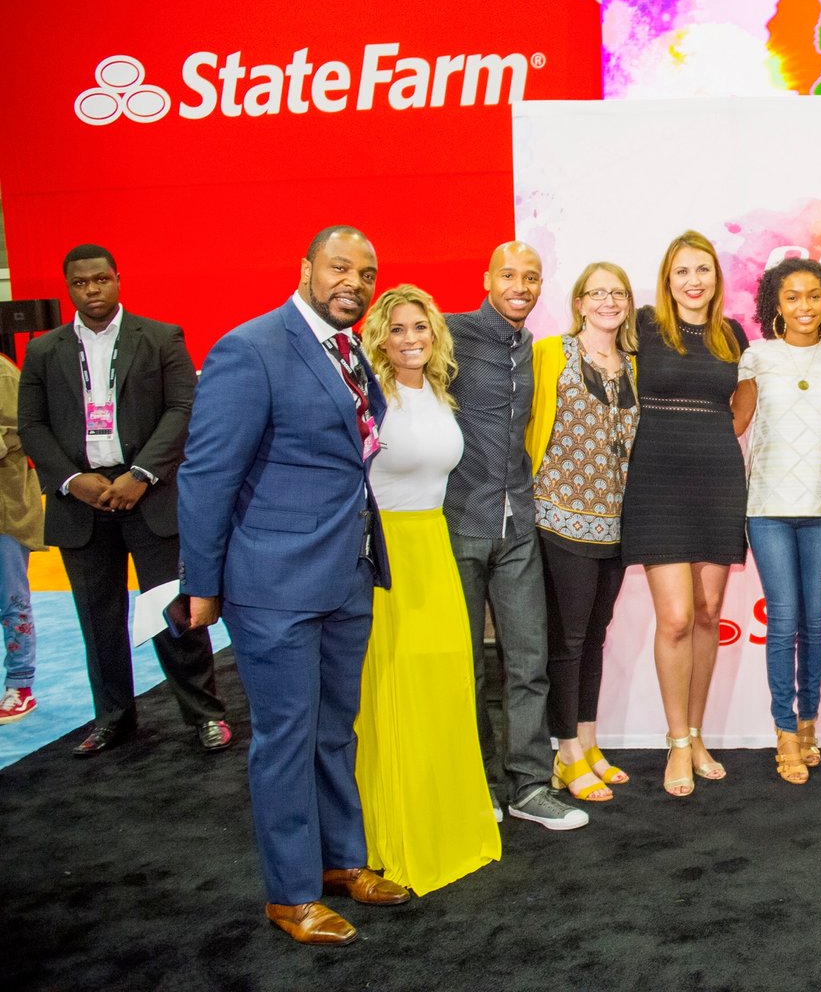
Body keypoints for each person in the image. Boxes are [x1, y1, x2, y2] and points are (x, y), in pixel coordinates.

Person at [178, 226, 405, 946]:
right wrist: (202, 585)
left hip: (347, 576)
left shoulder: (348, 353)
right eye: (341, 267)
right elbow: (207, 475)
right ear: (306, 268)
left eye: (367, 273)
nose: (355, 282)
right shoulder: (251, 349)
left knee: (335, 730)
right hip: (271, 585)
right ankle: (291, 893)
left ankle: (342, 863)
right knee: (285, 738)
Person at [18, 243, 229, 756]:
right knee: (98, 618)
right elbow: (32, 424)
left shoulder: (159, 338)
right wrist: (70, 479)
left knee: (172, 611)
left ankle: (204, 715)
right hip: (79, 501)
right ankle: (113, 718)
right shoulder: (44, 350)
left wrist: (141, 473)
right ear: (68, 288)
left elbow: (182, 408)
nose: (91, 290)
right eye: (80, 284)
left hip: (148, 494)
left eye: (100, 280)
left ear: (117, 279)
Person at [355, 284, 501, 893]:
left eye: (420, 327)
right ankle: (390, 831)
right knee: (393, 692)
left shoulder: (440, 392)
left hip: (435, 549)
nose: (411, 339)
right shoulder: (368, 398)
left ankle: (446, 818)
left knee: (446, 686)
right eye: (398, 330)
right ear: (379, 339)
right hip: (385, 558)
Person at [444, 242, 586, 831]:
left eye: (531, 277)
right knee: (465, 666)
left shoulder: (535, 349)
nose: (521, 285)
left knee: (528, 662)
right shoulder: (448, 333)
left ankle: (528, 787)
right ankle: (477, 786)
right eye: (509, 275)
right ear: (487, 279)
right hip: (456, 523)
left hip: (518, 525)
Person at [620, 230, 749, 797]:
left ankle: (696, 734)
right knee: (674, 618)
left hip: (717, 479)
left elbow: (742, 403)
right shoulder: (643, 326)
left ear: (716, 278)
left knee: (706, 612)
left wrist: (718, 433)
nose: (693, 281)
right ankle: (675, 741)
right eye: (682, 272)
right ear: (667, 280)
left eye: (703, 270)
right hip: (656, 481)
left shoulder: (732, 334)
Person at [733, 257, 821, 785]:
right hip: (768, 510)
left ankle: (808, 722)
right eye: (791, 297)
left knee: (814, 621)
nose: (803, 306)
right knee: (783, 620)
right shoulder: (756, 357)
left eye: (813, 296)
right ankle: (783, 731)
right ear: (775, 306)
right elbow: (734, 423)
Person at [525, 262, 640, 802]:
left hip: (615, 525)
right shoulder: (552, 353)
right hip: (559, 519)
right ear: (579, 302)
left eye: (617, 293)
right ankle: (565, 751)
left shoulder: (633, 366)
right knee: (566, 641)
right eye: (597, 292)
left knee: (594, 638)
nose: (608, 301)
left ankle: (589, 743)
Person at [0, 352, 45, 724]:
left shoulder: (2, 371)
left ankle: (21, 685)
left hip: (5, 512)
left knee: (11, 600)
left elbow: (24, 430)